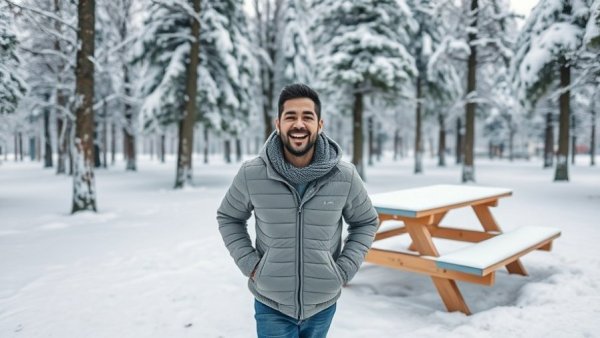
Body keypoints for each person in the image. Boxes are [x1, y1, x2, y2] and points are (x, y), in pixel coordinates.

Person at [217, 83, 379, 338]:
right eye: (290, 116)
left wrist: (344, 268)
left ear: (320, 124)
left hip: (322, 303)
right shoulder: (253, 173)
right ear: (278, 123)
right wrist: (251, 265)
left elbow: (366, 222)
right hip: (272, 301)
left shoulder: (344, 176)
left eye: (307, 117)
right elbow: (229, 217)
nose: (299, 124)